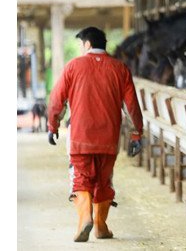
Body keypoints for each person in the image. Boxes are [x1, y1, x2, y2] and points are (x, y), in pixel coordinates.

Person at [47, 26, 144, 242]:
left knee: (81, 178)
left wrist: (53, 125)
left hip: (80, 137)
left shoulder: (73, 66)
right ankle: (101, 226)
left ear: (87, 44)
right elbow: (131, 107)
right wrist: (137, 133)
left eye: (82, 45)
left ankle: (85, 220)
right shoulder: (120, 69)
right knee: (104, 180)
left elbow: (57, 100)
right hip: (109, 138)